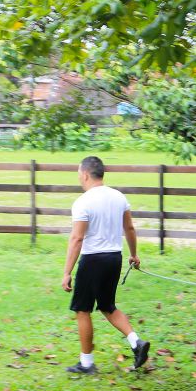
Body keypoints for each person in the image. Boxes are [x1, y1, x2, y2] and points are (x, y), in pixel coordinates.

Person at [62, 156, 150, 373]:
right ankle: (136, 342)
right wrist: (134, 254)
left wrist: (67, 272)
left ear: (84, 174)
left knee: (82, 310)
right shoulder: (119, 197)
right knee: (107, 306)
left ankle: (86, 364)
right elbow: (129, 229)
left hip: (92, 259)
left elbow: (77, 239)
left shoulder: (83, 202)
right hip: (114, 258)